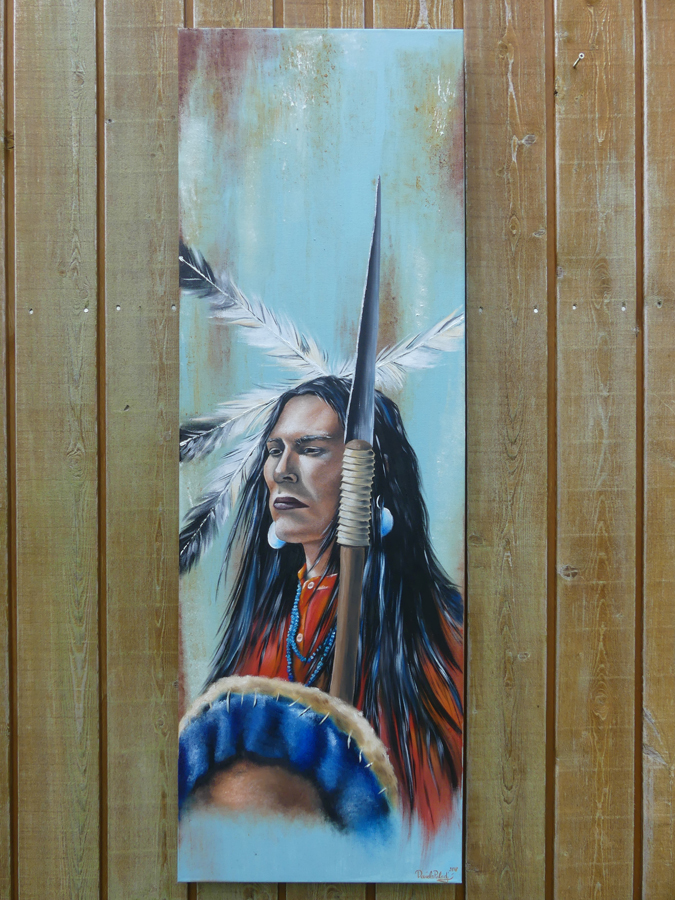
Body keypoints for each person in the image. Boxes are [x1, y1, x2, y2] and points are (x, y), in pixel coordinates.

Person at [204, 374, 463, 836]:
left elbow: (429, 823)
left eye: (311, 449)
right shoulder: (264, 631)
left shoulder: (442, 639)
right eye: (274, 449)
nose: (282, 470)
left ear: (372, 472)